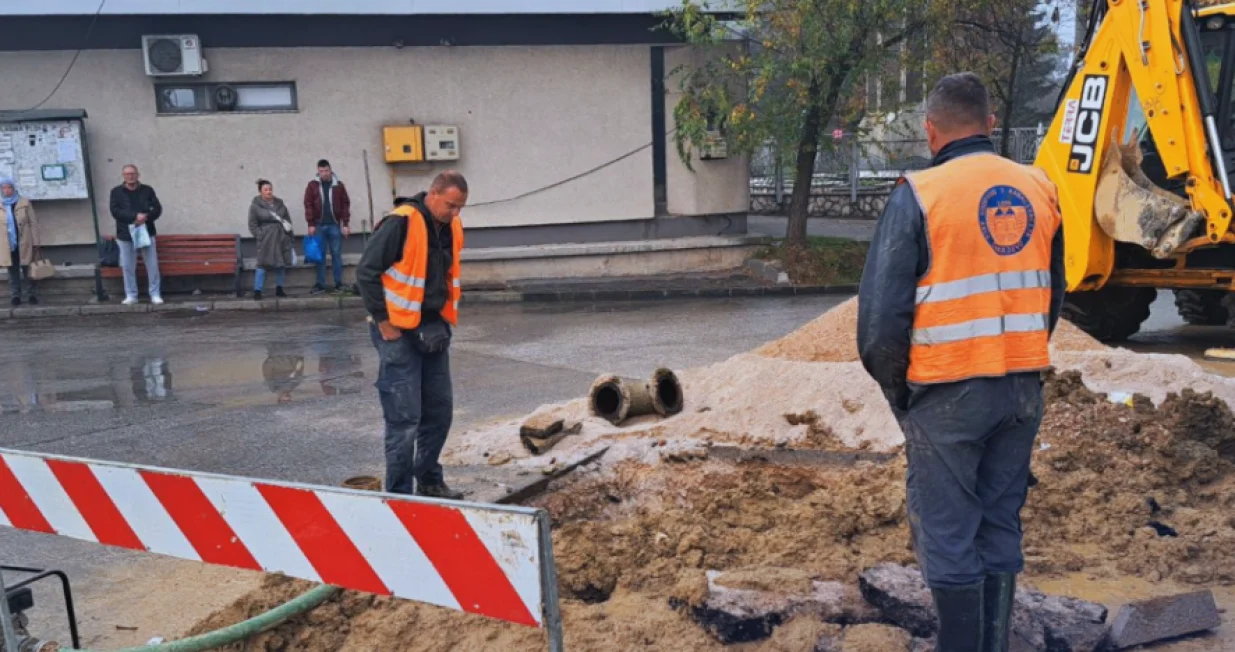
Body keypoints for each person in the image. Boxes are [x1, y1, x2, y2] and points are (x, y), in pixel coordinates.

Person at [856, 73, 1065, 652]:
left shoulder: (920, 193)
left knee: (948, 533)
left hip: (947, 391)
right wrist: (1020, 356)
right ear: (991, 124)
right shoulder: (1039, 185)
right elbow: (1053, 295)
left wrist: (902, 394)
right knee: (999, 522)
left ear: (930, 130)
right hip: (1022, 386)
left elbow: (879, 325)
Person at [355, 170, 467, 499]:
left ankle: (430, 480)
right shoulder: (401, 222)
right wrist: (383, 321)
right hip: (397, 332)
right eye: (451, 205)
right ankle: (401, 495)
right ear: (432, 195)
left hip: (432, 329)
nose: (456, 213)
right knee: (405, 419)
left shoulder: (451, 227)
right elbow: (366, 272)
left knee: (439, 411)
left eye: (461, 207)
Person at [108, 164, 163, 305]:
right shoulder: (116, 192)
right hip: (125, 235)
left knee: (152, 266)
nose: (130, 176)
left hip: (146, 231)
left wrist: (146, 217)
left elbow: (157, 208)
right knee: (128, 266)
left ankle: (155, 294)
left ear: (138, 174)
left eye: (132, 173)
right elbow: (115, 211)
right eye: (127, 174)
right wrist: (134, 216)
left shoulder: (148, 190)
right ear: (123, 176)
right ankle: (131, 295)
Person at [303, 159, 351, 295]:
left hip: (335, 225)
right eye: (321, 171)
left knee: (336, 254)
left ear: (330, 170)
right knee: (320, 255)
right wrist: (311, 224)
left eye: (326, 170)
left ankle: (338, 283)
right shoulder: (312, 186)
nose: (323, 173)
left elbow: (345, 204)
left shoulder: (338, 185)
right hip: (319, 225)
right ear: (318, 171)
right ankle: (321, 284)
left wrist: (345, 224)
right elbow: (308, 204)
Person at [248, 179, 295, 300]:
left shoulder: (280, 203)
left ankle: (279, 288)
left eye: (270, 189)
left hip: (280, 237)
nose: (269, 191)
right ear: (260, 191)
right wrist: (260, 235)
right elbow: (252, 224)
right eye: (266, 190)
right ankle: (258, 290)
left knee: (281, 263)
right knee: (262, 264)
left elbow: (287, 220)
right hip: (266, 238)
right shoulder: (255, 206)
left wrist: (290, 237)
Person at [1, 177, 39, 306]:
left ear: (13, 188)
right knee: (12, 271)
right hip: (8, 244)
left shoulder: (24, 202)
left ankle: (32, 294)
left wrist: (36, 242)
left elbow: (33, 223)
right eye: (4, 188)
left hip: (24, 241)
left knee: (27, 269)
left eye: (9, 187)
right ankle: (15, 295)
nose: (7, 190)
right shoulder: (1, 204)